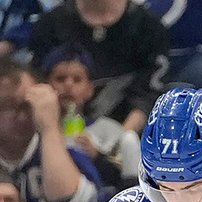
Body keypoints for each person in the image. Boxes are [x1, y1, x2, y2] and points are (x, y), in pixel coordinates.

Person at [0, 57, 103, 202]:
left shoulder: (61, 148)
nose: (22, 115)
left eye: (28, 105)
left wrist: (48, 127)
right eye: (7, 106)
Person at [27, 0, 170, 133]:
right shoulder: (51, 24)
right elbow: (37, 86)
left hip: (127, 136)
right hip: (57, 132)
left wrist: (118, 141)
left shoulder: (147, 27)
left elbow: (149, 94)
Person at [43, 43, 141, 188]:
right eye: (60, 79)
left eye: (77, 79)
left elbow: (125, 180)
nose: (69, 85)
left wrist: (97, 157)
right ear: (46, 85)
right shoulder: (36, 131)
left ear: (90, 89)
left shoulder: (109, 130)